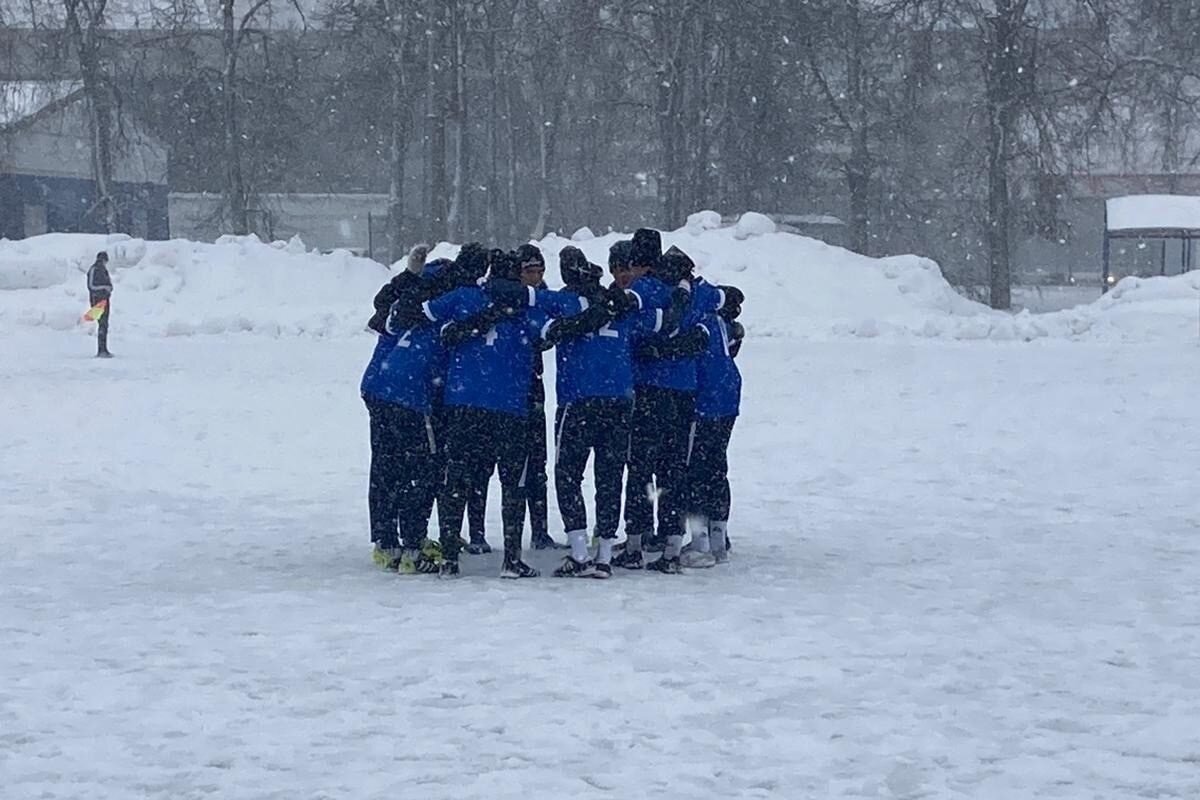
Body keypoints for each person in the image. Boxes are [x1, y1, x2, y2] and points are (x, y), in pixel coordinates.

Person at [396, 247, 584, 578]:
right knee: (514, 483)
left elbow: (423, 315)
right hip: (510, 408)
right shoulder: (525, 310)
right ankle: (511, 560)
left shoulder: (463, 297)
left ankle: (451, 557)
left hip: (463, 405)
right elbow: (555, 329)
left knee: (458, 479)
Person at [616, 235, 743, 573]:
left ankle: (639, 541)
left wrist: (655, 347)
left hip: (655, 391)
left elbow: (641, 329)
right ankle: (693, 542)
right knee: (686, 469)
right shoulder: (699, 294)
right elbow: (731, 300)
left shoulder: (644, 291)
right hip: (697, 394)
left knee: (642, 470)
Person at [543, 246, 660, 578]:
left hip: (578, 399)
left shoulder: (565, 301)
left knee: (568, 474)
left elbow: (540, 322)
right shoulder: (622, 305)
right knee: (610, 477)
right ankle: (605, 554)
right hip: (619, 401)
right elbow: (655, 325)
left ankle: (580, 552)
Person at [362, 245, 442, 572]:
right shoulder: (430, 315)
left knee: (385, 466)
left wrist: (409, 275)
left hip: (378, 389)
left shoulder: (397, 308)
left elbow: (383, 302)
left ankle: (386, 541)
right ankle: (410, 544)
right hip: (406, 397)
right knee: (418, 469)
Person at [680, 308, 744, 568]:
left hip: (705, 398)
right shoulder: (713, 310)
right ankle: (719, 539)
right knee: (716, 466)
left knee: (694, 469)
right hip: (727, 394)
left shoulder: (690, 311)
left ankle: (700, 543)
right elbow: (735, 335)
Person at [87, 251, 114, 357]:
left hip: (104, 299)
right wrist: (104, 288)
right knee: (102, 324)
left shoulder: (103, 270)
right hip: (97, 300)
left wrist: (109, 288)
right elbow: (91, 286)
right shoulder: (94, 269)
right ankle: (101, 350)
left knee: (104, 325)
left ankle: (103, 349)